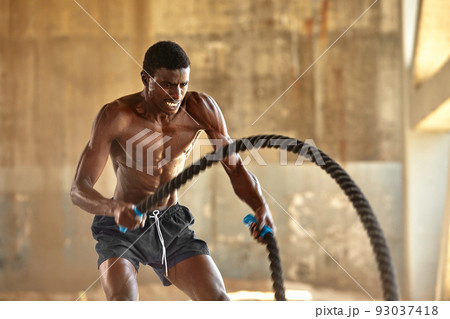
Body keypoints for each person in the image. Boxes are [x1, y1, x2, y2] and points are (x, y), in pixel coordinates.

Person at [70, 41, 275, 301]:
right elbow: (79, 189)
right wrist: (114, 209)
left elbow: (234, 168)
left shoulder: (201, 109)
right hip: (122, 227)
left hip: (171, 224)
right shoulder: (117, 116)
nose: (176, 94)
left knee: (219, 302)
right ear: (146, 78)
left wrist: (260, 207)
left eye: (183, 84)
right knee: (122, 304)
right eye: (167, 84)